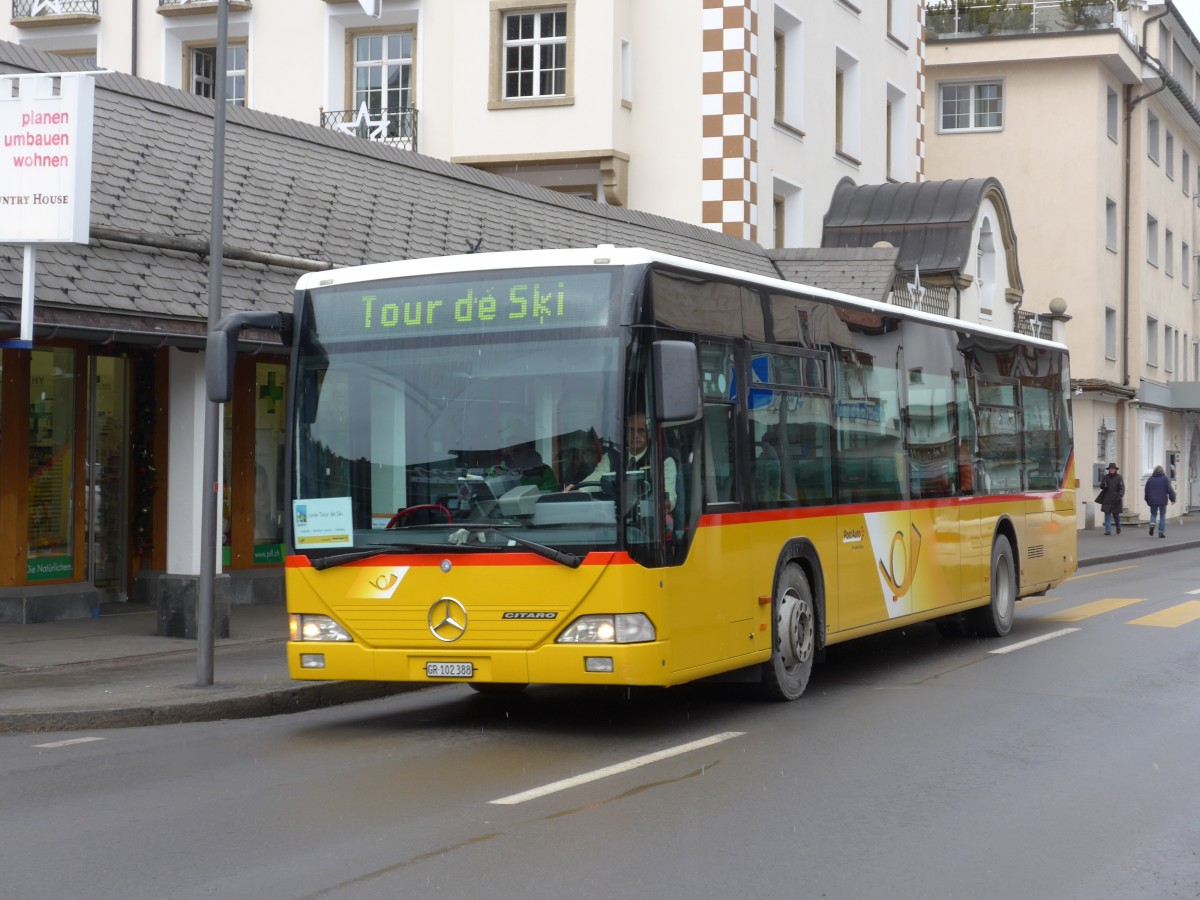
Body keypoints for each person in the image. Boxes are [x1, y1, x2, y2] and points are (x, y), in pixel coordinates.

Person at [573, 411, 677, 512]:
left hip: (650, 522)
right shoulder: (611, 458)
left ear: (649, 434)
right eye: (631, 430)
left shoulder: (664, 460)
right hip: (614, 519)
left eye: (641, 430)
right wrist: (577, 491)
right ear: (626, 433)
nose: (635, 435)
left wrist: (666, 502)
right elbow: (596, 479)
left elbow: (669, 493)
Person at [1144, 463, 1176, 538]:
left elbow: (1146, 490)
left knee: (1153, 514)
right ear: (1162, 471)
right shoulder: (1165, 479)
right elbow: (1170, 490)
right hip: (1162, 500)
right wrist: (1173, 499)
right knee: (1162, 515)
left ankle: (1152, 524)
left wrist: (1147, 499)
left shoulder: (1150, 479)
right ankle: (1161, 532)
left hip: (1152, 500)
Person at [1097, 462, 1124, 535]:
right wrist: (1103, 484)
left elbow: (1122, 488)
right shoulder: (1106, 477)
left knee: (1116, 516)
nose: (1111, 470)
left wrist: (1120, 495)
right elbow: (1101, 486)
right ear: (1109, 469)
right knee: (1107, 514)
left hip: (1116, 499)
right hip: (1107, 498)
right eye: (1110, 469)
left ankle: (1118, 527)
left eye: (1113, 469)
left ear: (1115, 469)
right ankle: (1108, 530)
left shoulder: (1119, 477)